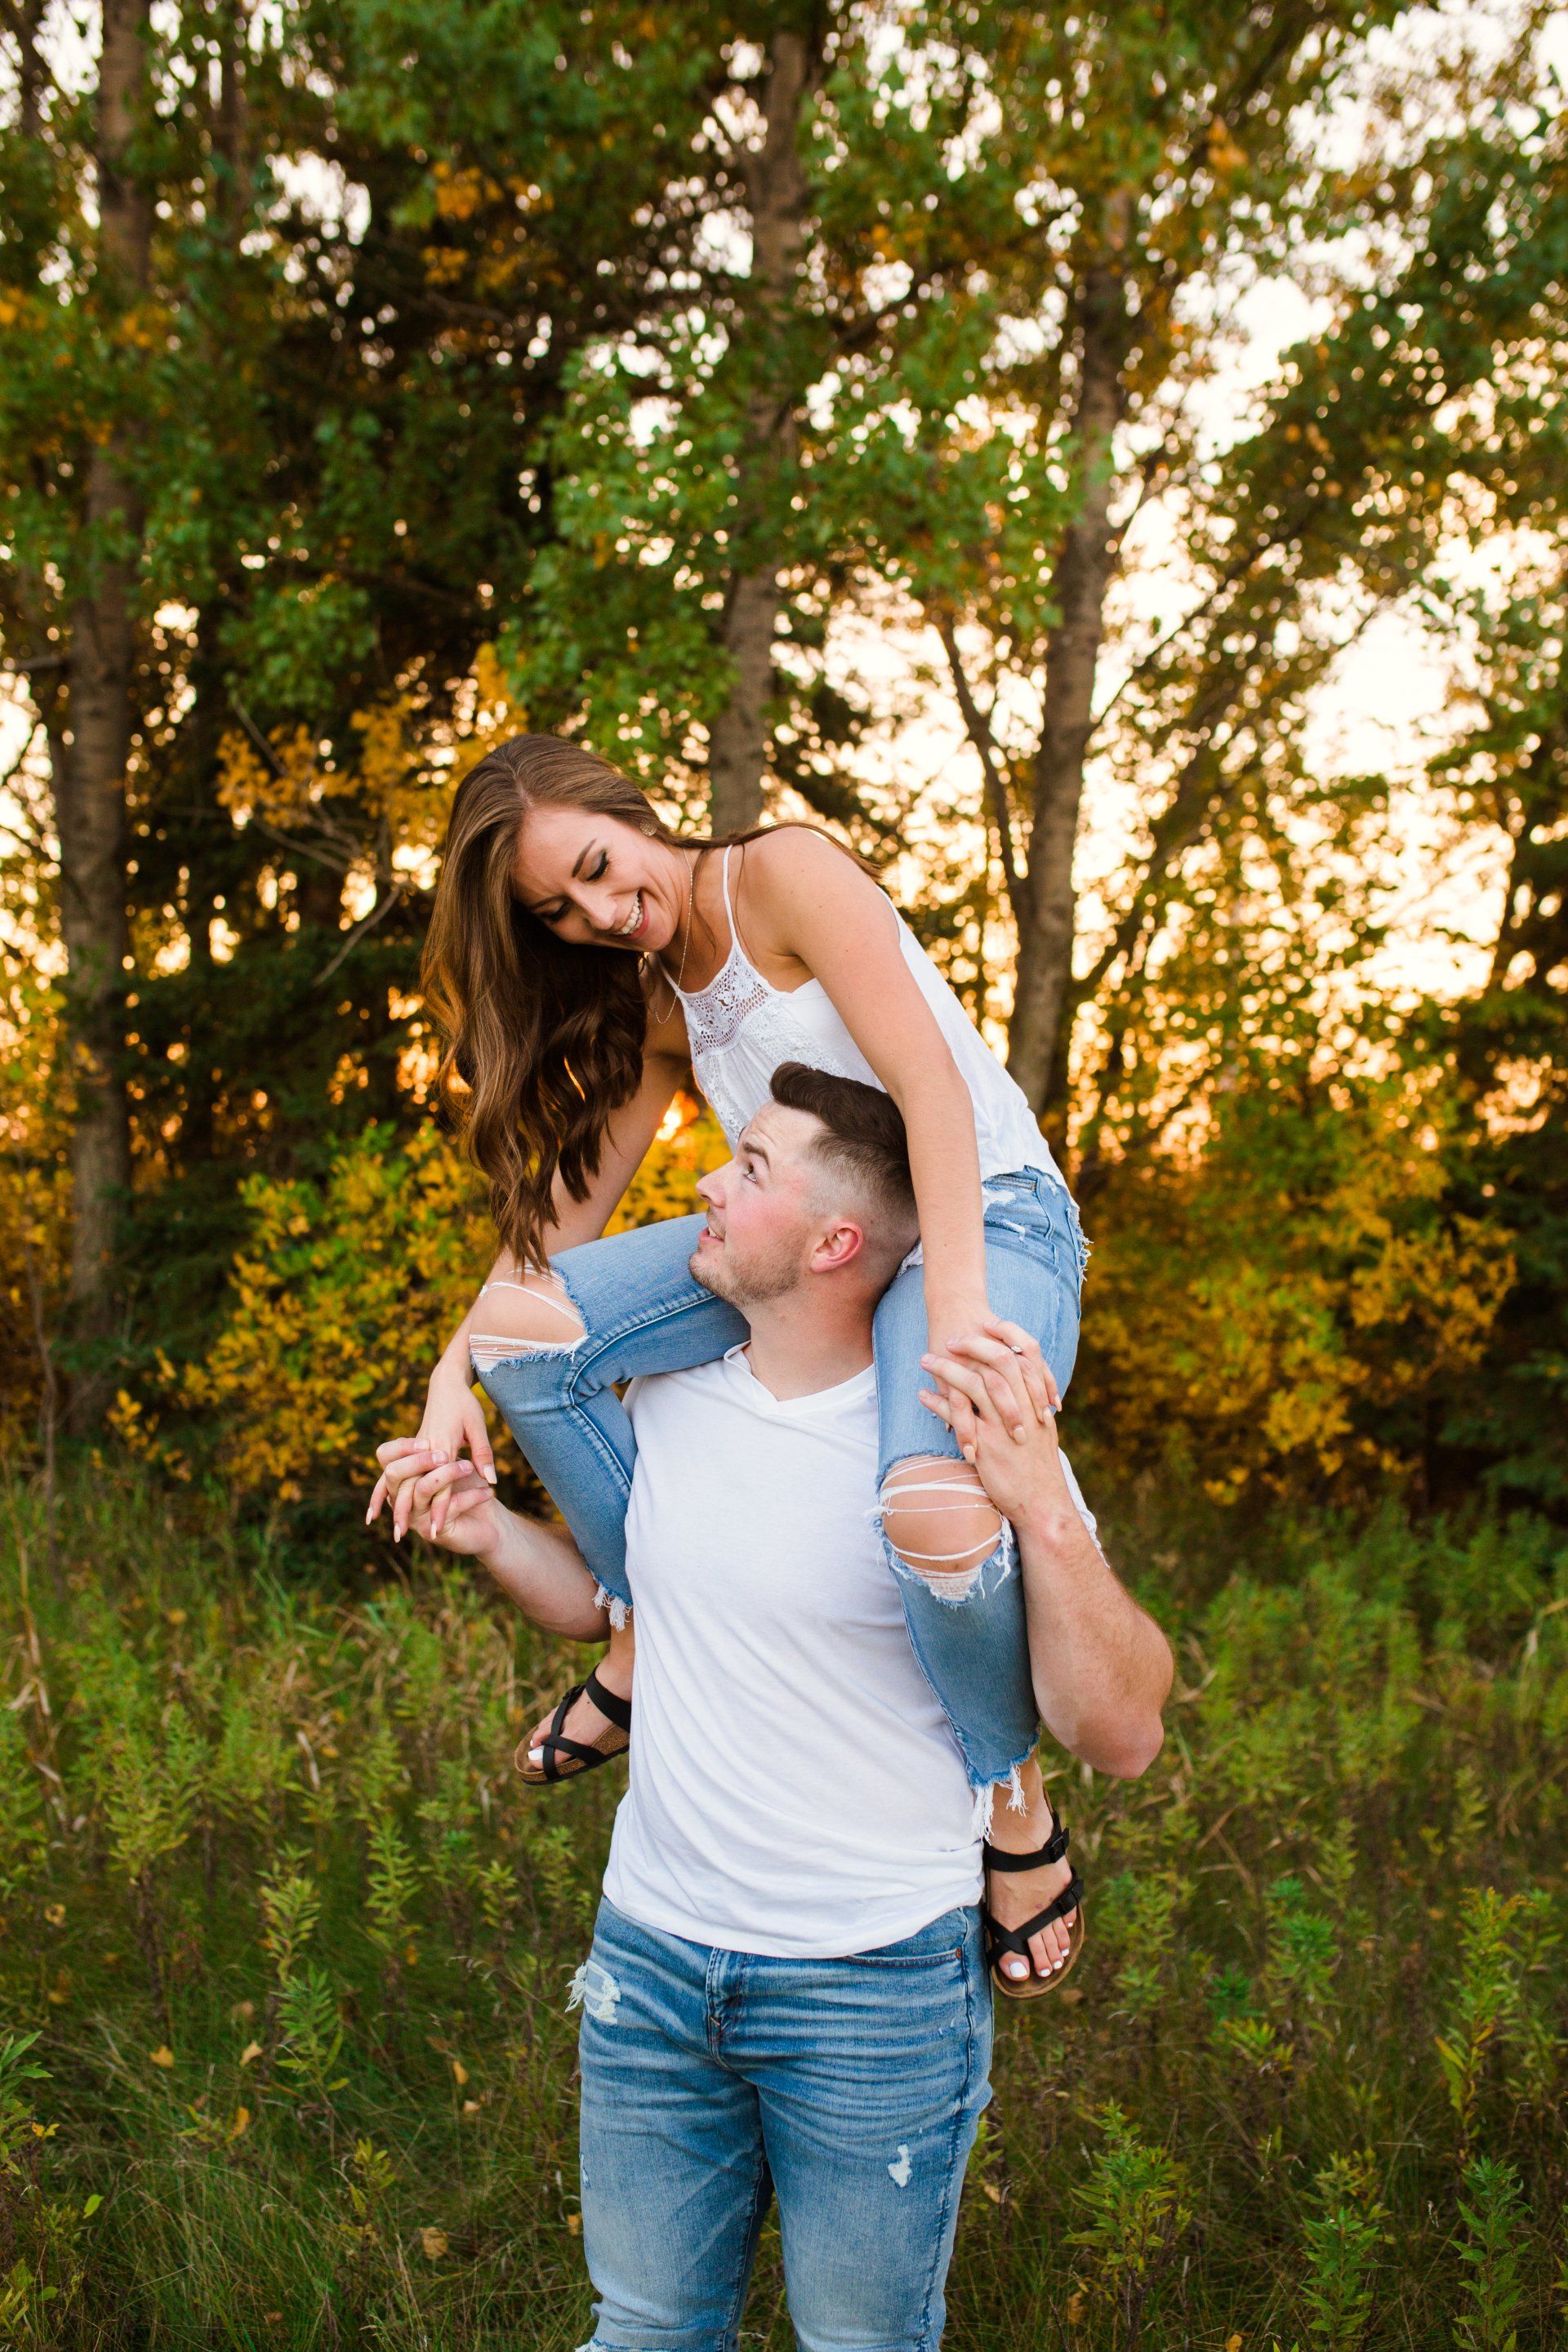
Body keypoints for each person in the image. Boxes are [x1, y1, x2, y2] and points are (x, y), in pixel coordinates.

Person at [375, 1068, 1172, 2351]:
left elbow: (1126, 1728)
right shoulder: (665, 1394)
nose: (699, 1180)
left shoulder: (961, 1457)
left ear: (833, 1242)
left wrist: (1045, 1514)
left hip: (872, 1991)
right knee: (640, 2332)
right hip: (651, 1959)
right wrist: (489, 1531)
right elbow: (611, 1610)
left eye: (746, 1167)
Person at [370, 731, 1095, 1990]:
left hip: (985, 1213)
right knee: (525, 1338)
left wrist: (963, 1310)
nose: (602, 911)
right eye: (563, 909)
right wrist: (454, 1371)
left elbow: (927, 1082)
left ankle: (1010, 1789)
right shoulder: (657, 1001)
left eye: (599, 866)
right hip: (819, 1248)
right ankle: (641, 1623)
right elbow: (563, 1212)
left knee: (931, 1506)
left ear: (625, 807)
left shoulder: (786, 874)